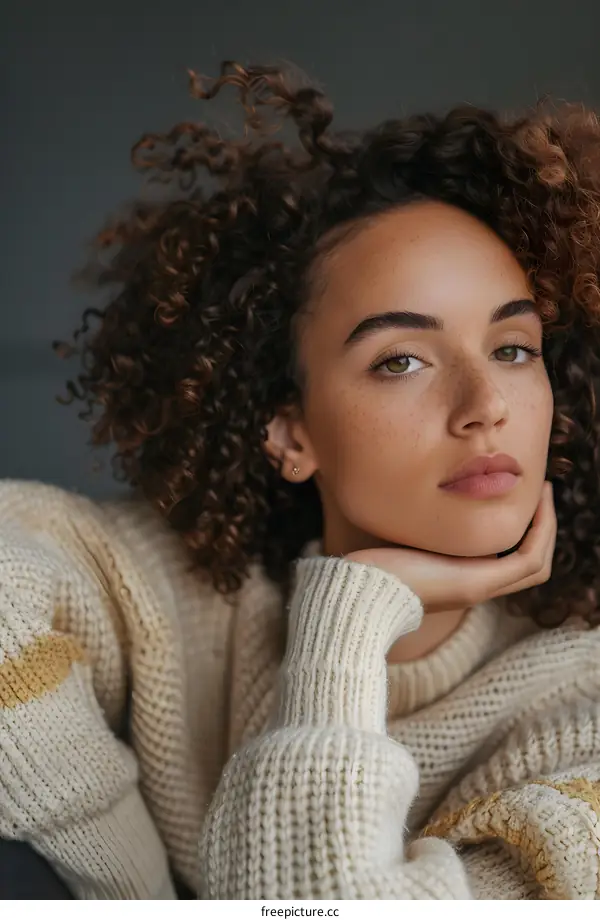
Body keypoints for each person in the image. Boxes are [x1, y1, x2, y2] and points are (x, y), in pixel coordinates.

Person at [2, 59, 600, 901]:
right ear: (291, 432)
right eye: (401, 360)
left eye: (512, 349)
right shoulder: (182, 598)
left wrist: (349, 621)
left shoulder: (581, 711)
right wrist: (128, 893)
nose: (484, 407)